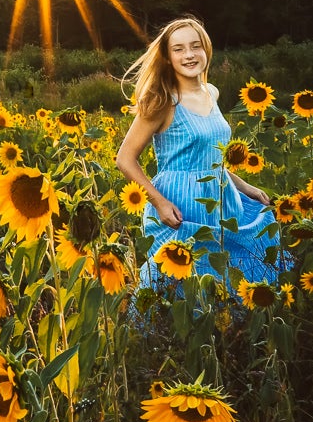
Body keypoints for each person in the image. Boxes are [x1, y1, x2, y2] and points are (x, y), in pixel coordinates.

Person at [115, 16, 282, 285]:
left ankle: (229, 325)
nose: (189, 55)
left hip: (221, 196)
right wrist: (159, 202)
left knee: (228, 269)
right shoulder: (160, 101)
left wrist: (245, 187)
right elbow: (125, 159)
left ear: (207, 50)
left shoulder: (211, 92)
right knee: (184, 276)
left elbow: (212, 158)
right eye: (178, 49)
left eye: (196, 46)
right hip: (180, 201)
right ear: (168, 57)